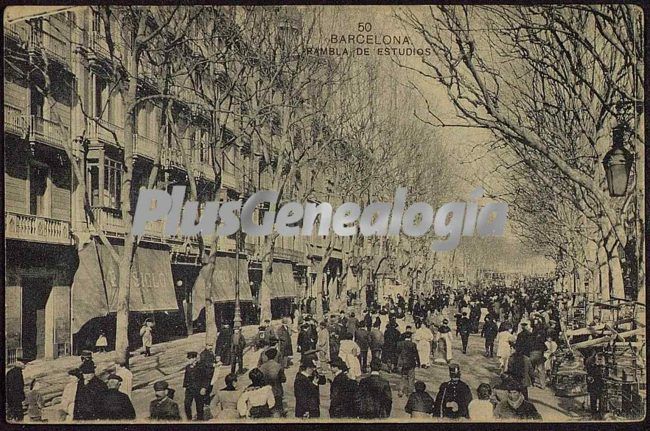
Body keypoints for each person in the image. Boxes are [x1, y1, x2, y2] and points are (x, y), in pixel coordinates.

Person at [258, 348, 286, 417]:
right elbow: (283, 379)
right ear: (275, 356)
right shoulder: (279, 366)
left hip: (265, 391)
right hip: (277, 391)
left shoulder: (262, 367)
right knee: (278, 411)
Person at [183, 351, 209, 421]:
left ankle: (200, 420)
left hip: (198, 389)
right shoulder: (187, 367)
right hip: (189, 389)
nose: (188, 360)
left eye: (190, 358)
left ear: (194, 359)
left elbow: (206, 378)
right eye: (188, 359)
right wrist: (184, 386)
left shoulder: (201, 367)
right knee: (187, 404)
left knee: (199, 406)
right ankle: (189, 419)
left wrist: (204, 388)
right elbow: (186, 377)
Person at [397, 330, 420, 398]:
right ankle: (410, 392)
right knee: (411, 378)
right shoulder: (413, 344)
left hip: (403, 363)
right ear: (410, 337)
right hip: (411, 363)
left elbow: (397, 353)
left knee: (403, 377)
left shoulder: (400, 344)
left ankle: (400, 391)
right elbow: (416, 354)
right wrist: (418, 363)